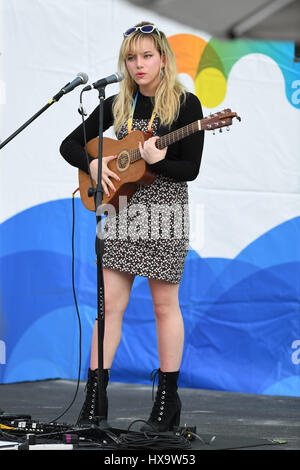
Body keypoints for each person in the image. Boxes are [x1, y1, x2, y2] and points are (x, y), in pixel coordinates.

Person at [60, 21, 204, 432]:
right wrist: (90, 163)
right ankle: (94, 403)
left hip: (163, 214)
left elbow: (189, 169)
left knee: (163, 306)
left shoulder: (185, 105)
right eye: (130, 57)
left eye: (146, 56)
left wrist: (157, 161)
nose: (138, 65)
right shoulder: (117, 103)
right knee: (108, 311)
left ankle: (166, 405)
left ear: (163, 58)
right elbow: (68, 144)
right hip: (119, 213)